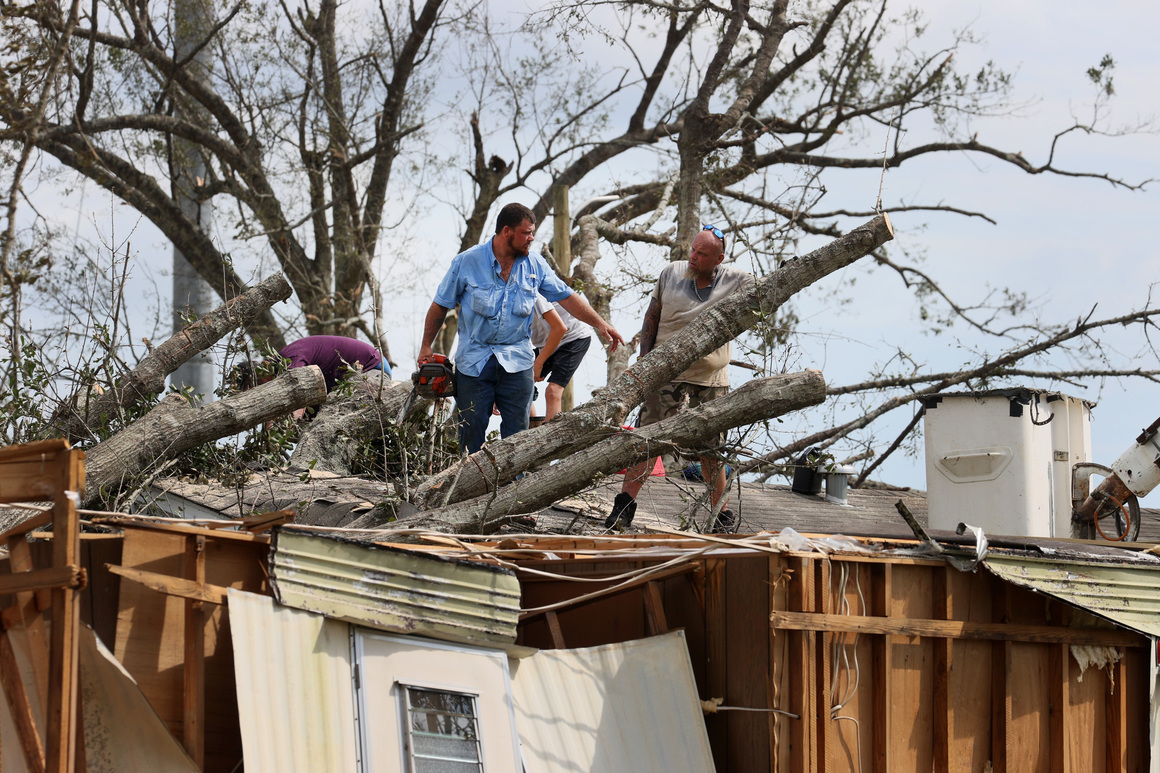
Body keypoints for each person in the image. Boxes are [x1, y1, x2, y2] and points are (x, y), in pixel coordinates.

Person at [418, 203, 623, 455]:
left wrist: (601, 323)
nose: (531, 238)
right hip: (474, 361)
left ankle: (515, 489)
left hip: (517, 361)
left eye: (532, 232)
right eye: (526, 233)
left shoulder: (534, 265)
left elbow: (567, 297)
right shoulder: (467, 262)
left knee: (518, 438)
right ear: (507, 232)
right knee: (471, 432)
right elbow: (440, 305)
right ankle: (467, 489)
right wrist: (426, 345)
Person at [604, 225, 755, 533]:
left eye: (702, 253)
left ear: (719, 258)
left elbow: (765, 293)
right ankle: (623, 507)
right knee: (647, 444)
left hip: (711, 381)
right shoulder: (671, 273)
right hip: (666, 375)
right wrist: (646, 363)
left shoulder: (735, 281)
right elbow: (652, 316)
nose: (693, 257)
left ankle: (720, 516)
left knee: (711, 451)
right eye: (693, 250)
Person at [232, 334, 390, 418]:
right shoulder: (281, 372)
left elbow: (299, 393)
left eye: (255, 385)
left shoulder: (289, 359)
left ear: (262, 370)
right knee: (310, 418)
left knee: (330, 418)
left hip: (371, 368)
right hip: (342, 384)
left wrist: (290, 422)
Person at [529, 296, 591, 421]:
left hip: (572, 338)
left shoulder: (532, 294)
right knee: (517, 384)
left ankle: (551, 437)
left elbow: (560, 329)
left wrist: (539, 363)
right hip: (546, 343)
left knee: (552, 391)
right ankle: (530, 429)